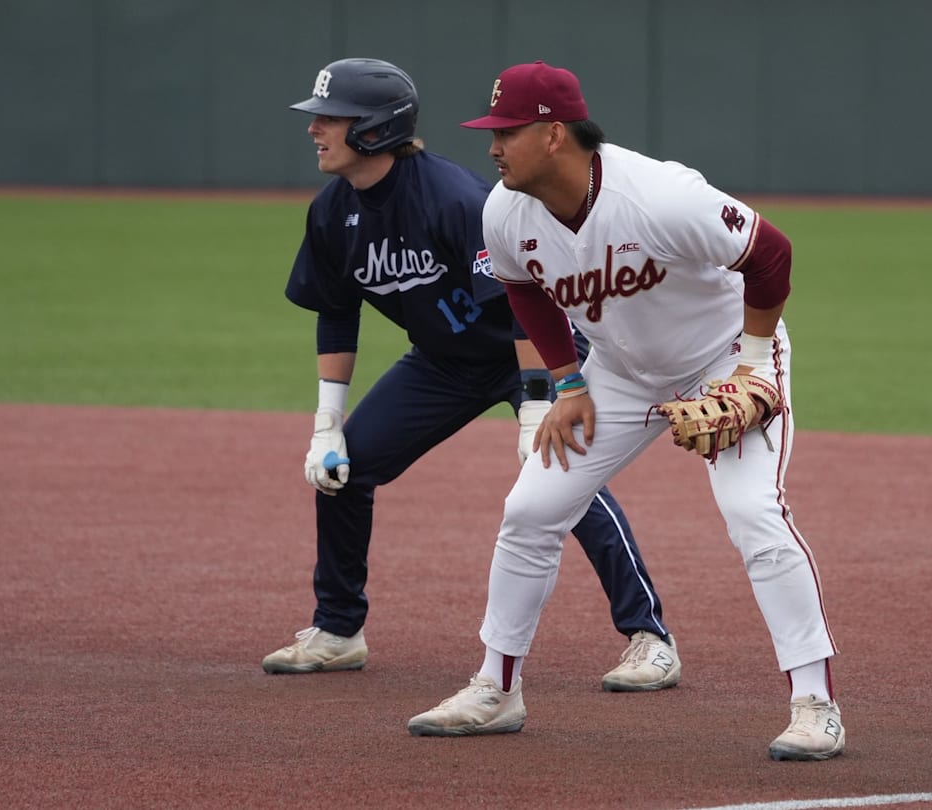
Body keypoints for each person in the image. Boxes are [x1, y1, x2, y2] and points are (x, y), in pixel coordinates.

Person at [406, 61, 843, 762]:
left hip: (725, 358)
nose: (492, 145)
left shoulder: (658, 197)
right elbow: (522, 288)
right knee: (531, 509)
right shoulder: (505, 209)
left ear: (553, 135)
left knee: (753, 513)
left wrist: (755, 363)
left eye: (506, 131)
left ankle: (815, 703)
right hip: (617, 372)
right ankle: (496, 688)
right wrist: (567, 381)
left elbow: (771, 254)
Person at [263, 57, 682, 694]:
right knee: (345, 469)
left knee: (564, 482)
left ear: (374, 128)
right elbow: (336, 315)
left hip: (534, 354)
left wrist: (541, 400)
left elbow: (524, 305)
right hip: (442, 364)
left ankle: (649, 638)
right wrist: (327, 425)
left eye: (331, 118)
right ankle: (339, 629)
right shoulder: (331, 214)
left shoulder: (454, 199)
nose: (315, 129)